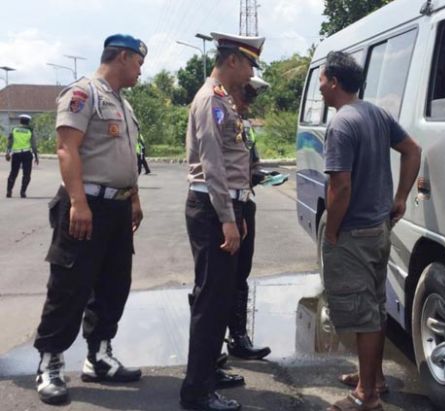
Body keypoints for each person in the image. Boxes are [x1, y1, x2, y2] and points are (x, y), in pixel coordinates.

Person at [32, 34, 147, 405]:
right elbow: (67, 148)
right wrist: (79, 203)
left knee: (114, 284)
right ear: (123, 57)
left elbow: (126, 156)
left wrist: (134, 198)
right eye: (138, 62)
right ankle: (50, 363)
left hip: (117, 208)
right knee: (70, 285)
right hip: (87, 205)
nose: (141, 69)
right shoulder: (84, 94)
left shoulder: (122, 104)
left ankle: (98, 357)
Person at [319, 51, 422, 411]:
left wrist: (331, 231)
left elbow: (340, 187)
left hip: (355, 233)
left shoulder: (342, 123)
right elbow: (412, 150)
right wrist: (401, 198)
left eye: (320, 79)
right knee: (375, 307)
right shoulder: (375, 113)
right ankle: (372, 378)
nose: (319, 87)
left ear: (333, 80)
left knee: (362, 312)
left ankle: (366, 397)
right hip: (379, 228)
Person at [180, 32, 264, 411]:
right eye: (249, 64)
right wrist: (228, 219)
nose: (250, 73)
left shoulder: (225, 101)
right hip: (213, 210)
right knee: (211, 301)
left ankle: (208, 373)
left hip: (225, 208)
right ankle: (196, 392)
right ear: (233, 60)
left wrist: (237, 213)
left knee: (220, 296)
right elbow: (213, 167)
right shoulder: (211, 101)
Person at [217, 76, 273, 367]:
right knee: (216, 278)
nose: (249, 102)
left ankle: (238, 337)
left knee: (240, 273)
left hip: (245, 202)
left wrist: (260, 175)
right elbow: (213, 167)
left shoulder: (244, 125)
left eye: (253, 98)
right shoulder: (220, 117)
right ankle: (211, 347)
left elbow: (250, 163)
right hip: (224, 205)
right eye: (247, 95)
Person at [5, 114, 38, 198]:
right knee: (26, 174)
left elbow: (9, 142)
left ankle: (9, 191)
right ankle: (23, 192)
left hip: (16, 154)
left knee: (13, 173)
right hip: (27, 154)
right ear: (28, 122)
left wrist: (8, 153)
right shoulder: (30, 130)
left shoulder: (14, 130)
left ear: (20, 121)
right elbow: (33, 144)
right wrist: (36, 156)